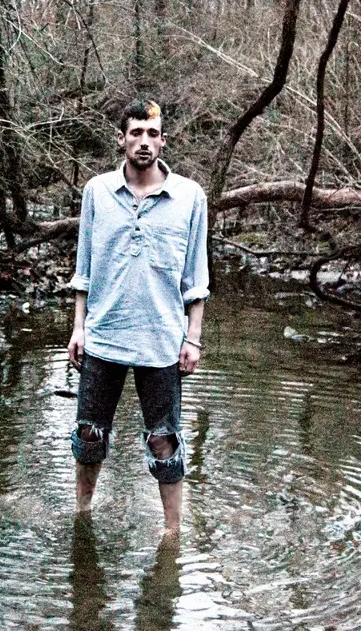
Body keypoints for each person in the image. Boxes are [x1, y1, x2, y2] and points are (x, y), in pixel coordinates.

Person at [67, 98, 209, 535]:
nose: (144, 142)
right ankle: (82, 516)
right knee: (90, 433)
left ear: (163, 140)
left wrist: (193, 337)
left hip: (162, 340)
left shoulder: (190, 196)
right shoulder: (97, 192)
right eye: (136, 133)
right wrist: (78, 327)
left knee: (164, 440)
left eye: (152, 134)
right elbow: (84, 269)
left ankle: (172, 534)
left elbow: (196, 276)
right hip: (104, 334)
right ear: (122, 139)